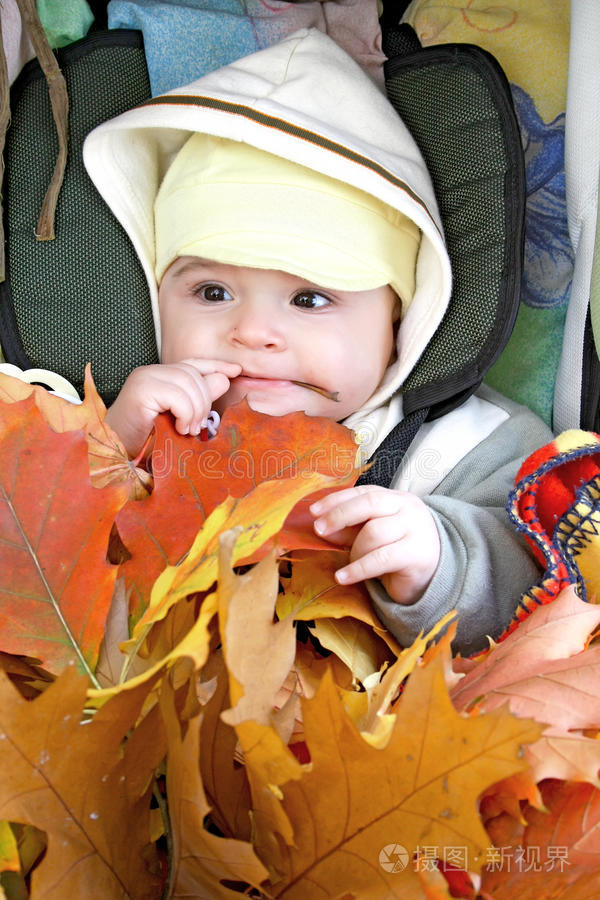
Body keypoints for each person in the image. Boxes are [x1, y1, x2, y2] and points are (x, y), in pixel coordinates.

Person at [83, 28, 553, 656]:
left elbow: (544, 592)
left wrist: (437, 564)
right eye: (212, 292)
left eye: (309, 299)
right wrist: (113, 452)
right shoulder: (140, 420)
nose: (251, 332)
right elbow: (47, 555)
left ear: (399, 318)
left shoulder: (472, 447)